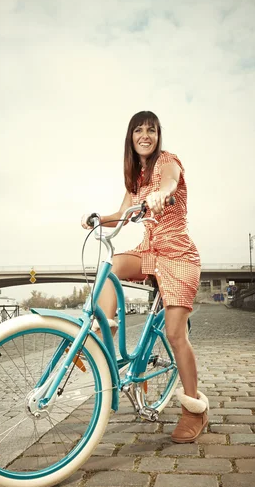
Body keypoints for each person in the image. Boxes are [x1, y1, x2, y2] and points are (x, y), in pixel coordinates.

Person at [81, 110, 208, 443]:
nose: (145, 135)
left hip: (178, 255)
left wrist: (161, 192)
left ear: (157, 135)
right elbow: (121, 215)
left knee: (175, 333)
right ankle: (102, 335)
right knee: (112, 266)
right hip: (150, 250)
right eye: (139, 130)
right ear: (131, 137)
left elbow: (170, 181)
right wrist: (97, 218)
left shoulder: (168, 161)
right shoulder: (135, 176)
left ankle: (195, 409)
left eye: (151, 130)